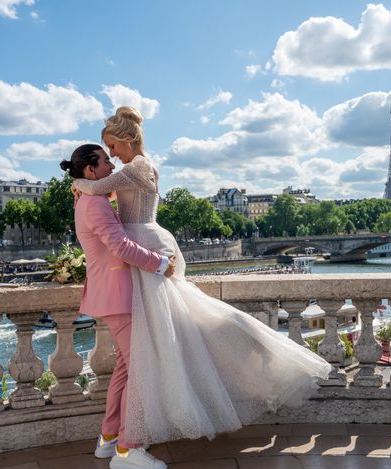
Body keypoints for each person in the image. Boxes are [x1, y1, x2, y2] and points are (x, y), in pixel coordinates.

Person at [71, 106, 331, 449]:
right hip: (145, 249)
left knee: (154, 350)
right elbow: (104, 195)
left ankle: (125, 443)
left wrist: (76, 182)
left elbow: (97, 187)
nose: (114, 157)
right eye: (108, 153)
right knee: (149, 350)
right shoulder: (135, 169)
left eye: (113, 148)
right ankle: (114, 437)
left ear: (126, 141)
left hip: (147, 249)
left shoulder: (136, 167)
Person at [60, 144, 175, 469]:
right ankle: (129, 448)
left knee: (126, 367)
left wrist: (84, 184)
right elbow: (121, 246)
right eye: (106, 159)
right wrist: (160, 263)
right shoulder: (94, 205)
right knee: (140, 368)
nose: (112, 163)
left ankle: (109, 437)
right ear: (90, 169)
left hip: (111, 293)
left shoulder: (91, 198)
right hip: (118, 294)